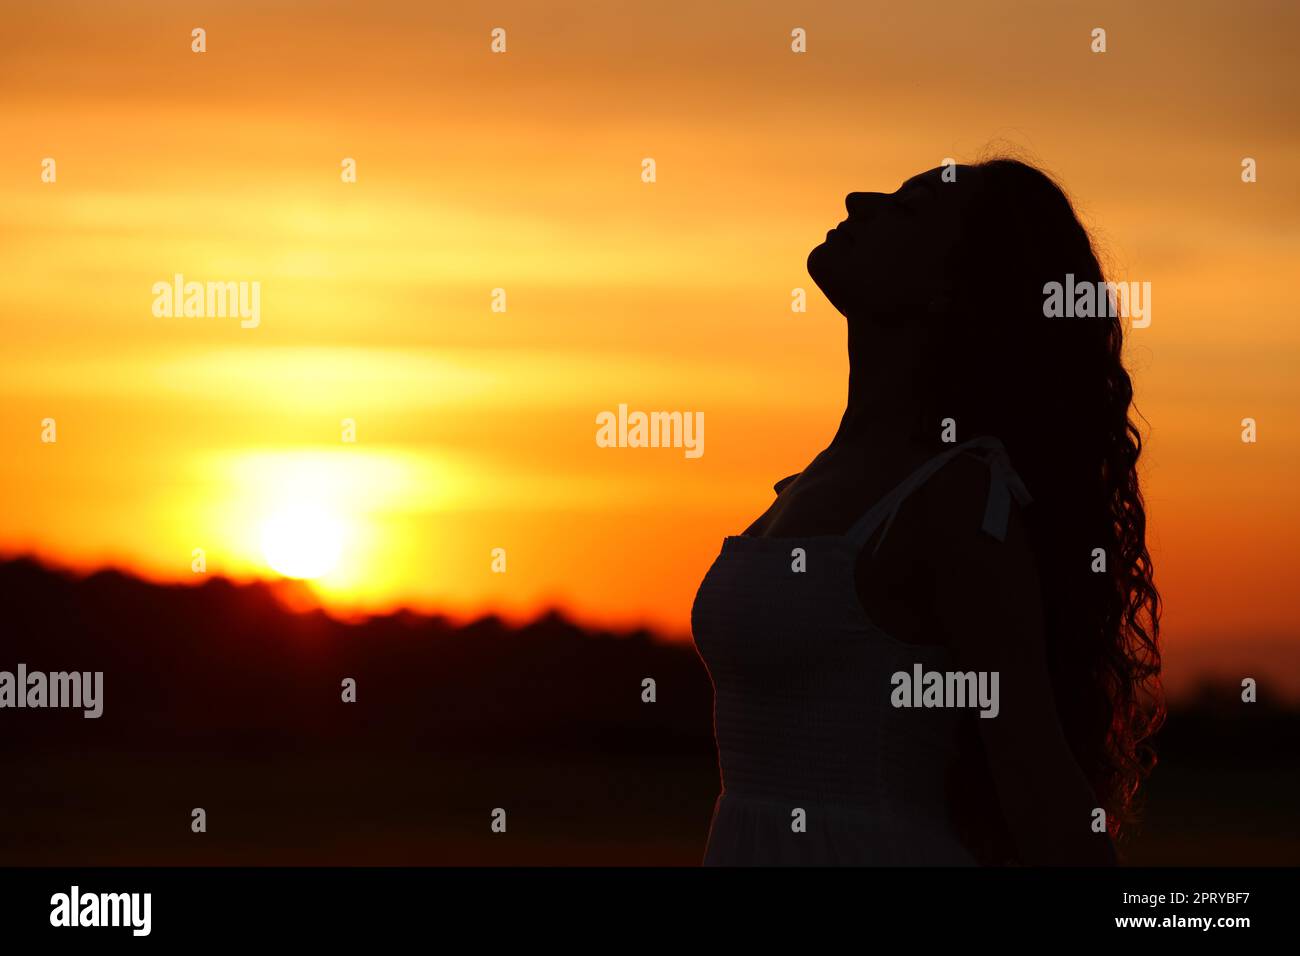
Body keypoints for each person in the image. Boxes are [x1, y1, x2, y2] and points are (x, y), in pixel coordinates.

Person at [691, 158, 1163, 865]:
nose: (858, 196)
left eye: (907, 209)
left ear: (951, 290)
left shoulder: (957, 499)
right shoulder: (810, 484)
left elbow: (1037, 785)